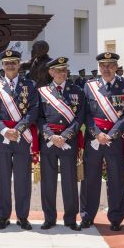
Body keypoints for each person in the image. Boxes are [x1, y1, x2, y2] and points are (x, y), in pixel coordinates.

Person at [80, 52, 124, 231]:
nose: (106, 69)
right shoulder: (90, 87)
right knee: (90, 179)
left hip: (115, 140)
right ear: (99, 68)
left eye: (110, 65)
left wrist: (112, 134)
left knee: (116, 179)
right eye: (103, 66)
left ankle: (116, 217)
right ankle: (87, 215)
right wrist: (96, 133)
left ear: (116, 66)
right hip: (94, 140)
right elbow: (85, 114)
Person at [0, 50, 38, 230]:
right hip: (2, 140)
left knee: (23, 179)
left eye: (13, 62)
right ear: (2, 66)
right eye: (7, 63)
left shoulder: (30, 85)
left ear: (18, 64)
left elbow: (33, 110)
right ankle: (3, 216)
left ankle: (23, 216)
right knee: (3, 180)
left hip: (22, 138)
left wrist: (19, 129)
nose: (10, 65)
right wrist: (4, 130)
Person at [37, 57, 85, 231]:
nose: (62, 73)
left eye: (64, 70)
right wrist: (51, 136)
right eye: (58, 70)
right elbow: (39, 117)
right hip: (49, 142)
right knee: (48, 181)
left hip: (68, 141)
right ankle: (49, 218)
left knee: (69, 181)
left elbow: (80, 117)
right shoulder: (42, 92)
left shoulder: (77, 91)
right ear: (51, 72)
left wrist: (65, 135)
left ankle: (71, 218)